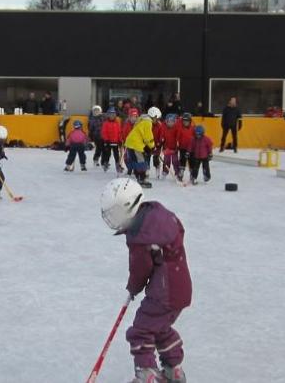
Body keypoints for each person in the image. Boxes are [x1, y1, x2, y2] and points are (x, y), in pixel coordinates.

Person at [99, 178, 192, 383]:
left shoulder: (139, 235)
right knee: (159, 328)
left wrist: (133, 287)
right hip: (182, 286)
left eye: (115, 214)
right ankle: (173, 369)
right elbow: (178, 234)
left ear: (128, 206)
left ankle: (147, 373)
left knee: (141, 330)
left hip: (164, 292)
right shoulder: (159, 213)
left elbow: (141, 269)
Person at [125, 107, 157, 188]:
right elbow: (148, 136)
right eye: (157, 118)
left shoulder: (142, 120)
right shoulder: (147, 122)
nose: (157, 120)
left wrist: (146, 146)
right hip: (135, 144)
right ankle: (141, 179)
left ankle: (139, 177)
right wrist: (152, 146)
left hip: (132, 143)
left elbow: (141, 134)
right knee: (141, 161)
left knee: (137, 160)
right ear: (154, 116)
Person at [100, 108, 123, 174]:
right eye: (110, 114)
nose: (112, 116)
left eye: (113, 114)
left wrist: (120, 140)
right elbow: (104, 132)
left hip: (115, 142)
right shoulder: (106, 123)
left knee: (116, 154)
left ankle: (118, 165)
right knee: (107, 154)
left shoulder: (117, 123)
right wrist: (106, 140)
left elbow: (119, 132)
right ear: (108, 115)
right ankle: (106, 163)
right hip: (108, 142)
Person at [174, 114, 195, 180]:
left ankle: (192, 174)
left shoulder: (193, 128)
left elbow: (195, 137)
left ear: (190, 121)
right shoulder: (181, 128)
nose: (185, 122)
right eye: (184, 121)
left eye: (187, 121)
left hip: (191, 148)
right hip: (183, 147)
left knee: (191, 161)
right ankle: (181, 172)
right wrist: (177, 144)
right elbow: (177, 137)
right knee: (182, 159)